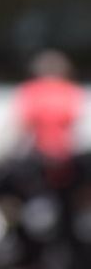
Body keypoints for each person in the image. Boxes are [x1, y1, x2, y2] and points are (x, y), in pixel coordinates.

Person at [14, 49, 84, 181]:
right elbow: (75, 124)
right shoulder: (72, 91)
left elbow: (23, 126)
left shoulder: (29, 90)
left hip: (38, 153)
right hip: (66, 154)